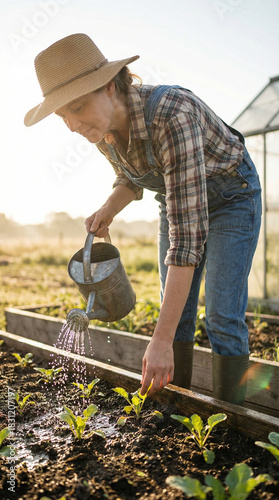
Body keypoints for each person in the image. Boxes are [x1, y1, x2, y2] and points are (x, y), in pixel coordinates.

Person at [24, 33, 262, 405]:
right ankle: (178, 406)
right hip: (177, 201)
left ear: (107, 87)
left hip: (232, 199)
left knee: (221, 314)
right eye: (63, 116)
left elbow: (186, 239)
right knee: (177, 314)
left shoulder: (172, 113)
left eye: (78, 108)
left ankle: (233, 419)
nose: (72, 125)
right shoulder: (103, 131)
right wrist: (108, 209)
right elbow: (131, 177)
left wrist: (160, 340)